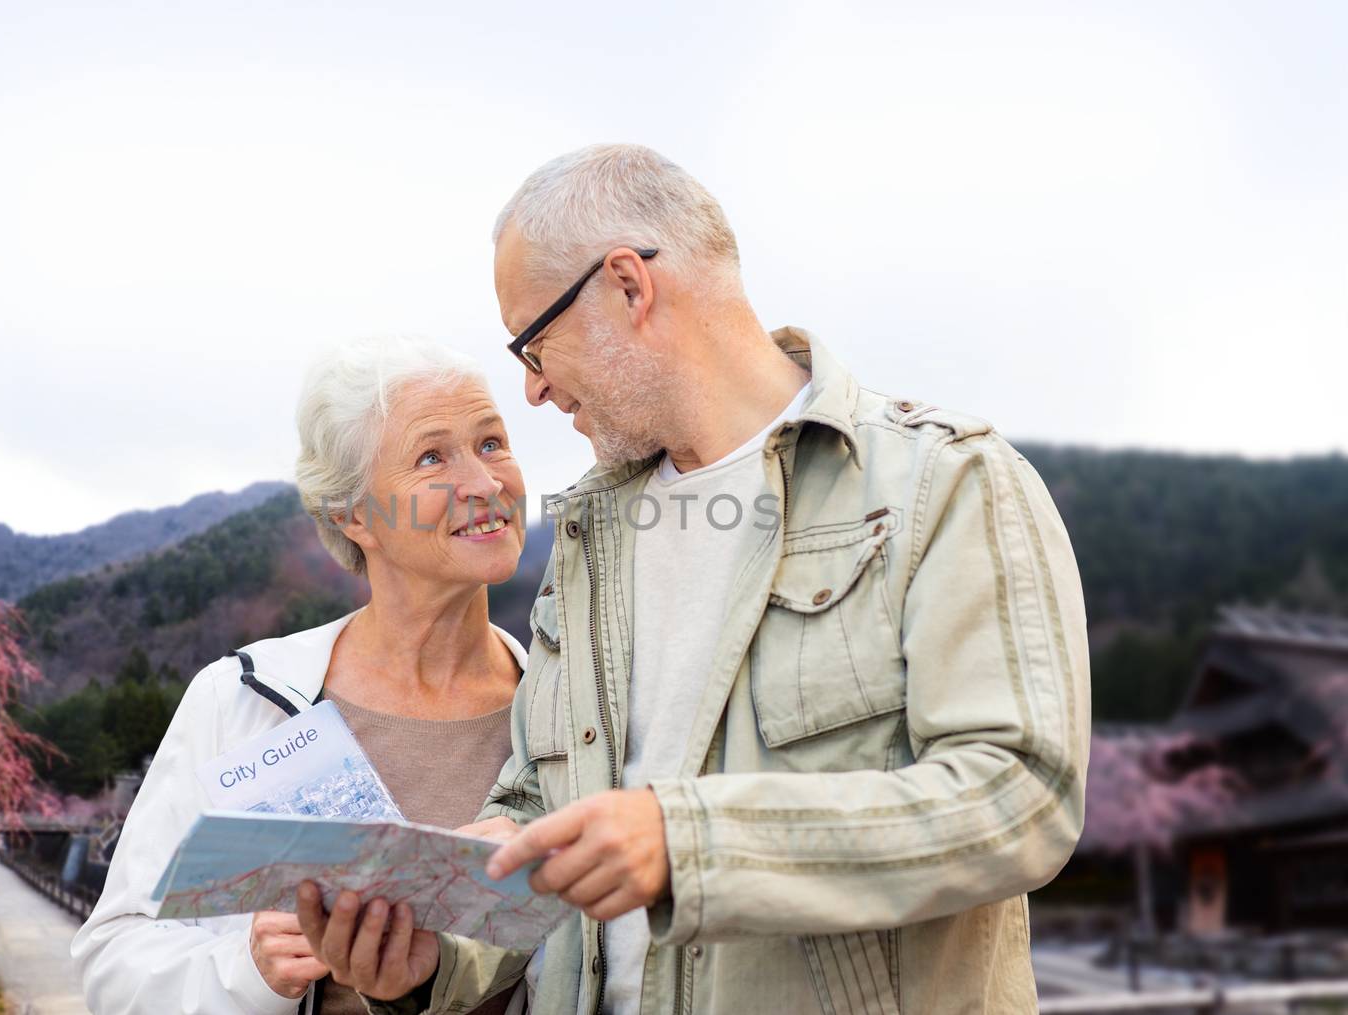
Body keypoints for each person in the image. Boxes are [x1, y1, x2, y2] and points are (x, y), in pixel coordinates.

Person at [297, 144, 1092, 1014]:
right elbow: (536, 812)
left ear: (629, 287)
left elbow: (1019, 795)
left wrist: (690, 842)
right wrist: (429, 961)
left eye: (532, 341)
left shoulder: (945, 482)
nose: (531, 389)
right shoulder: (588, 538)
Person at [72, 336, 533, 1015]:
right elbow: (113, 959)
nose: (485, 483)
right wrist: (250, 970)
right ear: (353, 515)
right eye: (433, 456)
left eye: (492, 442)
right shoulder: (242, 700)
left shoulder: (563, 710)